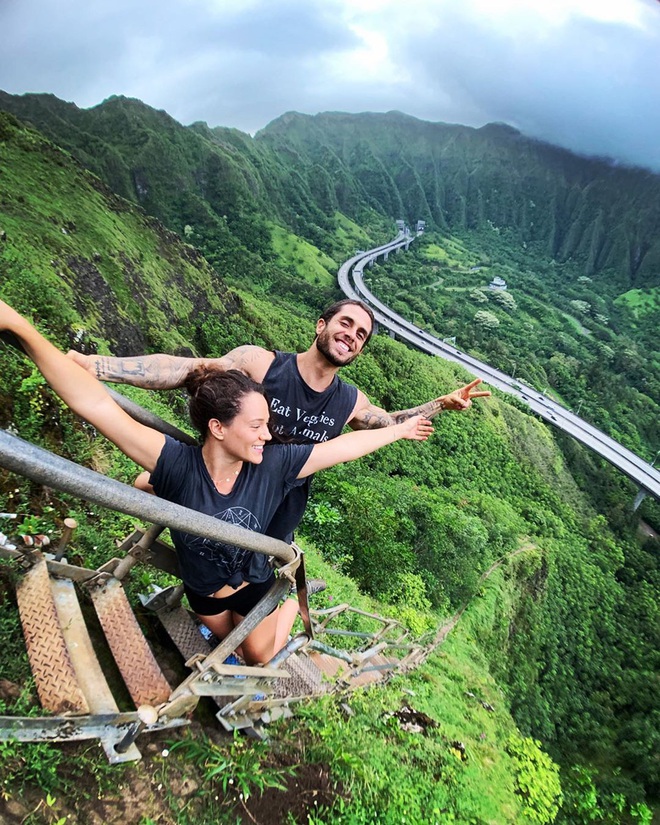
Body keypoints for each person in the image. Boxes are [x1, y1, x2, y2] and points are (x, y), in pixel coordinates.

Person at [0, 299, 434, 665]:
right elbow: (95, 403)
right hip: (205, 588)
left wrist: (413, 422)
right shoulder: (182, 461)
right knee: (226, 633)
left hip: (256, 566)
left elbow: (348, 446)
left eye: (363, 333)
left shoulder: (276, 463)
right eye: (259, 425)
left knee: (255, 653)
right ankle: (255, 619)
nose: (271, 434)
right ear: (219, 427)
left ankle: (284, 609)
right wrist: (23, 328)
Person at [69, 299, 490, 540]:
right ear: (321, 325)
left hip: (277, 504)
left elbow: (389, 423)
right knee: (147, 487)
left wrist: (440, 404)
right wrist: (99, 366)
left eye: (361, 335)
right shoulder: (261, 364)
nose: (352, 335)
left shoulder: (349, 399)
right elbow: (188, 370)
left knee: (249, 569)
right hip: (223, 475)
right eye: (346, 323)